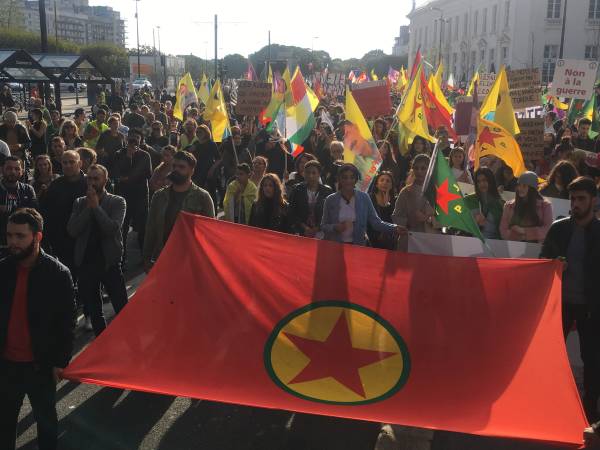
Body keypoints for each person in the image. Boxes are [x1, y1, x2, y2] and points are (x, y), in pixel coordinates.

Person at [0, 208, 76, 450]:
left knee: (46, 424)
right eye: (9, 235)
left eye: (20, 236)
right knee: (4, 424)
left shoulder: (58, 274)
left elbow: (67, 322)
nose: (13, 242)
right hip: (6, 366)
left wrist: (60, 361)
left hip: (40, 366)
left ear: (38, 236)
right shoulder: (3, 269)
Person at [541, 177, 600, 423]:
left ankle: (589, 413)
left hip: (591, 308)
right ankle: (546, 404)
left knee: (592, 361)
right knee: (549, 356)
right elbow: (542, 261)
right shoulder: (558, 228)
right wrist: (553, 264)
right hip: (559, 305)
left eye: (581, 199)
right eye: (572, 199)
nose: (575, 204)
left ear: (593, 201)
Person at [67, 164, 127, 336]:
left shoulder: (117, 201)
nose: (92, 182)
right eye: (89, 179)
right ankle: (102, 341)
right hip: (87, 262)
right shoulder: (80, 202)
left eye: (96, 178)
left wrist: (96, 208)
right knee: (94, 310)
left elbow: (111, 228)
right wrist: (89, 207)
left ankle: (128, 340)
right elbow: (72, 230)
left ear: (105, 180)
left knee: (121, 306)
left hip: (109, 261)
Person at [143, 151, 215, 272]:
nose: (176, 169)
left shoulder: (203, 197)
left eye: (181, 167)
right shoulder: (159, 196)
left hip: (191, 259)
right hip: (164, 256)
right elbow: (151, 228)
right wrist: (146, 258)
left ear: (191, 171)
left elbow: (210, 233)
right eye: (174, 166)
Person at [321, 163, 404, 245]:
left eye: (352, 177)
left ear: (356, 179)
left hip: (358, 246)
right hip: (336, 246)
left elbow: (376, 222)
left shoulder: (364, 198)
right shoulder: (330, 199)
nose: (348, 181)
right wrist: (334, 227)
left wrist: (395, 228)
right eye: (345, 177)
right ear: (339, 179)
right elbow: (323, 226)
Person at [40, 150, 87, 274]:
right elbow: (47, 213)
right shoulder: (55, 185)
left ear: (80, 163)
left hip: (86, 241)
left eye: (72, 162)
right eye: (65, 163)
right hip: (62, 242)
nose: (68, 165)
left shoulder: (90, 183)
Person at [113, 133, 152, 262]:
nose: (133, 144)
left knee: (142, 227)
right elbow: (116, 173)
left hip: (140, 196)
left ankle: (145, 257)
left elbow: (147, 174)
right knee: (122, 227)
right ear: (126, 141)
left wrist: (128, 177)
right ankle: (121, 258)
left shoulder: (144, 155)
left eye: (136, 141)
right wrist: (128, 157)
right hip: (123, 195)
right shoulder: (119, 154)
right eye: (131, 141)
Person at [500, 171, 553, 242]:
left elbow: (547, 229)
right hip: (514, 246)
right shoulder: (509, 206)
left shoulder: (545, 206)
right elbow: (503, 230)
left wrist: (524, 231)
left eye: (524, 186)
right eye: (519, 185)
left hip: (536, 246)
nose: (520, 188)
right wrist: (516, 237)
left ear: (532, 189)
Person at [392, 154, 437, 234]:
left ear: (430, 169)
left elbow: (447, 218)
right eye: (416, 168)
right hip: (411, 237)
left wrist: (428, 219)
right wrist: (408, 222)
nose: (419, 171)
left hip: (433, 237)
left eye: (423, 168)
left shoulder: (437, 191)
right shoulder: (406, 191)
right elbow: (397, 217)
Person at [0, 157, 37, 254]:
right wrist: (21, 208)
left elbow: (33, 213)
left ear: (22, 171)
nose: (13, 172)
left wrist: (7, 208)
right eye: (9, 168)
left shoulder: (28, 189)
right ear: (2, 169)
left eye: (16, 169)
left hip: (22, 244)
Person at [288, 160, 333, 237]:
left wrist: (317, 228)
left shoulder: (327, 191)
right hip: (301, 233)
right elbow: (292, 212)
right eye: (307, 172)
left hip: (322, 233)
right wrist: (305, 228)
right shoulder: (297, 189)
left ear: (319, 174)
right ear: (304, 173)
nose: (310, 176)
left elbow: (330, 214)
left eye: (314, 173)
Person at [464, 167, 505, 240]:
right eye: (478, 181)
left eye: (484, 180)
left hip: (495, 243)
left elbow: (503, 231)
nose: (482, 184)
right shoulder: (469, 200)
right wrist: (474, 222)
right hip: (473, 242)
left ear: (491, 181)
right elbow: (461, 224)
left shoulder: (500, 204)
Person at [188, 124, 220, 203]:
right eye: (197, 132)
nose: (198, 133)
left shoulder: (211, 144)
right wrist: (190, 151)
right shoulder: (196, 143)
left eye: (200, 132)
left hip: (208, 170)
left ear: (206, 133)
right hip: (197, 171)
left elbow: (218, 159)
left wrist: (212, 169)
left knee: (210, 193)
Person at [368, 171, 398, 249]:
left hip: (388, 240)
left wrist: (387, 204)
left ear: (391, 185)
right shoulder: (370, 198)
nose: (385, 183)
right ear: (377, 184)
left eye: (388, 181)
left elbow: (393, 220)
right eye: (382, 180)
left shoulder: (395, 200)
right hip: (372, 238)